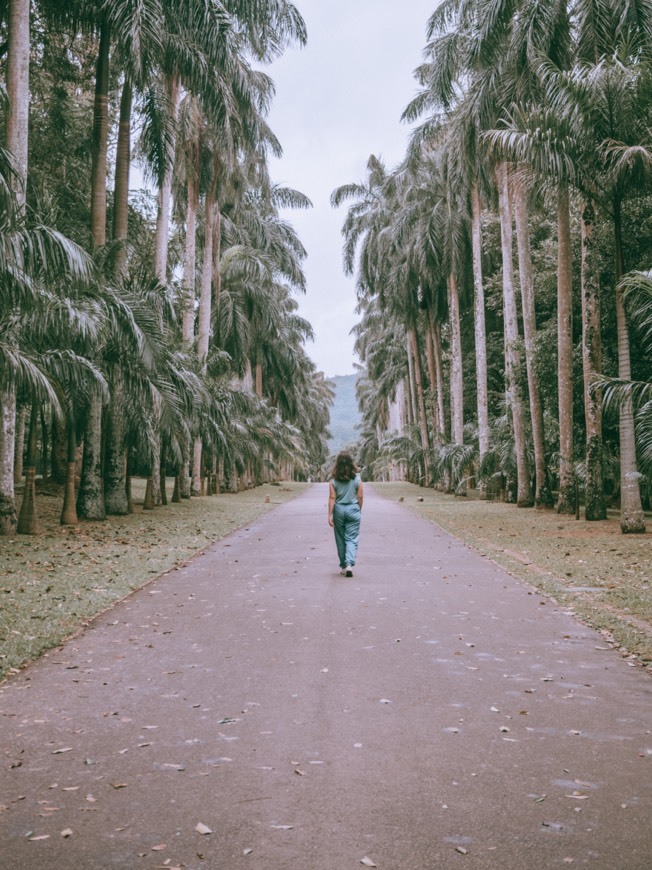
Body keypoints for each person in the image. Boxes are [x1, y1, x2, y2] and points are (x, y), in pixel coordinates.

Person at [328, 451, 364, 577]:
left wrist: (330, 515)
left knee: (340, 538)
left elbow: (332, 498)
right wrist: (359, 509)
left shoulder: (333, 481)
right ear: (351, 463)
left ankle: (343, 565)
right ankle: (349, 564)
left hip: (338, 510)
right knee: (352, 538)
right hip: (353, 509)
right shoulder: (357, 479)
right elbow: (360, 496)